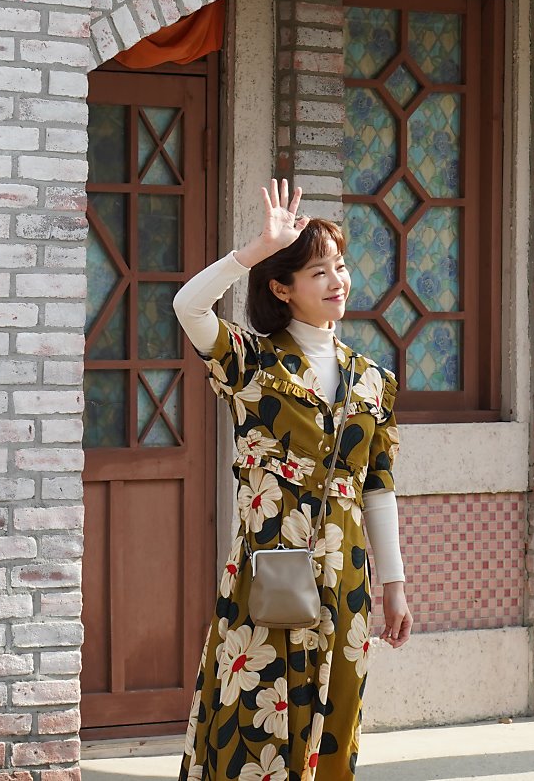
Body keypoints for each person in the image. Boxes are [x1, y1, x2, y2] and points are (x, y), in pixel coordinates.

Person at [173, 178, 414, 781]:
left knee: (336, 722)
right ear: (282, 288)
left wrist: (394, 585)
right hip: (269, 568)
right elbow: (188, 307)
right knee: (255, 720)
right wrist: (255, 251)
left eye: (340, 267)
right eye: (318, 272)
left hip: (346, 575)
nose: (338, 282)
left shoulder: (373, 380)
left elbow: (378, 486)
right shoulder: (251, 362)